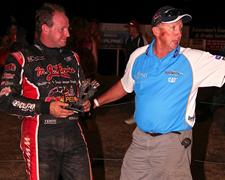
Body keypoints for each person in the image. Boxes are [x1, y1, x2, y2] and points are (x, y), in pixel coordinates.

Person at [93, 5, 225, 180]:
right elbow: (125, 86)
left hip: (173, 145)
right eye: (173, 28)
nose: (179, 33)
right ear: (156, 31)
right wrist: (96, 102)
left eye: (180, 28)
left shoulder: (193, 60)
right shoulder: (138, 57)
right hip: (140, 140)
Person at [0, 3, 93, 180]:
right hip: (40, 137)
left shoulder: (72, 57)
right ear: (45, 28)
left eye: (68, 28)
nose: (68, 33)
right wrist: (46, 107)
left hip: (74, 133)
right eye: (62, 29)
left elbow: (82, 90)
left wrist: (85, 102)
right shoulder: (21, 57)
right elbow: (5, 99)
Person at [123, 19, 148, 124]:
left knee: (140, 93)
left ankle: (137, 116)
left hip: (140, 72)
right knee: (131, 92)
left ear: (135, 28)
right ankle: (136, 115)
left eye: (130, 27)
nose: (129, 29)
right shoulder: (128, 39)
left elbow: (147, 55)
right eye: (128, 27)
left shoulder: (141, 39)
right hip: (130, 70)